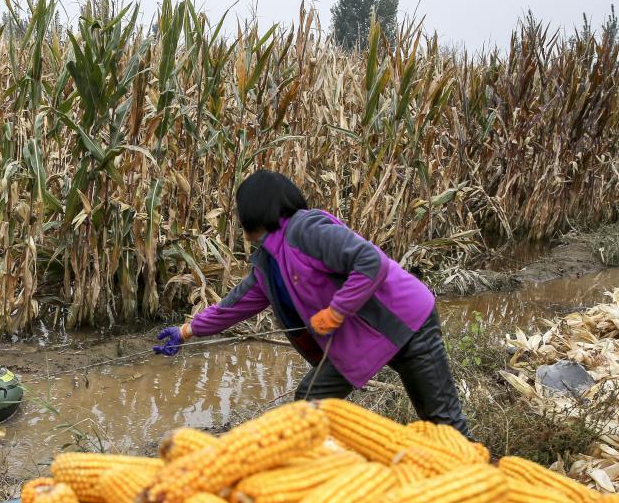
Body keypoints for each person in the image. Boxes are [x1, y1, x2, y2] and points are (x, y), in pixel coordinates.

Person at [153, 169, 471, 437]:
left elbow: (370, 261)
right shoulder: (267, 261)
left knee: (445, 425)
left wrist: (336, 311)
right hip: (360, 341)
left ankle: (486, 482)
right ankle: (320, 477)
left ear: (253, 209)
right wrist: (185, 332)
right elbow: (232, 307)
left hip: (408, 323)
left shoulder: (307, 229)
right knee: (309, 404)